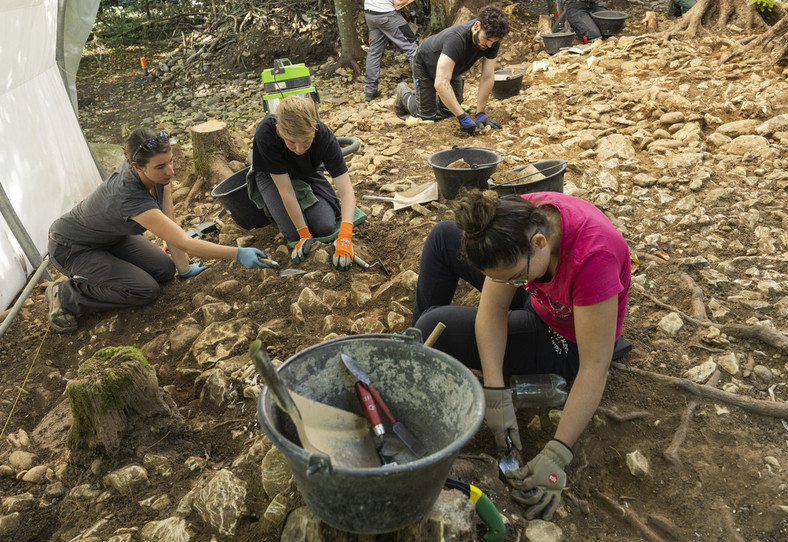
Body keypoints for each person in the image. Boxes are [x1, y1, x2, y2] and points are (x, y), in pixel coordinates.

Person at [412, 189, 631, 521]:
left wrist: (558, 453)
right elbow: (493, 309)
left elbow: (595, 366)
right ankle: (418, 359)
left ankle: (423, 351)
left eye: (513, 277)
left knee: (433, 324)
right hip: (542, 297)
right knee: (444, 237)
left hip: (566, 337)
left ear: (539, 243)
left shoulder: (592, 257)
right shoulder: (514, 218)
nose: (512, 284)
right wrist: (496, 390)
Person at [46, 128, 272, 333]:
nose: (170, 171)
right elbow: (186, 243)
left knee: (165, 269)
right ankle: (65, 295)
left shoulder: (152, 169)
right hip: (72, 248)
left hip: (111, 238)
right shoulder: (129, 196)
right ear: (137, 167)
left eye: (170, 162)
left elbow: (168, 219)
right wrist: (238, 253)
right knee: (144, 290)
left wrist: (184, 269)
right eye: (161, 167)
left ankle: (112, 270)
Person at [248, 96, 358, 270]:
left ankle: (306, 196)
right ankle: (272, 206)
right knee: (293, 233)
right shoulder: (267, 133)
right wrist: (303, 233)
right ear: (279, 130)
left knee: (325, 227)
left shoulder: (324, 137)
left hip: (307, 171)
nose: (299, 149)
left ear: (314, 127)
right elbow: (287, 191)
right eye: (292, 143)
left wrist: (345, 235)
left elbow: (346, 190)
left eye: (306, 141)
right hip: (272, 175)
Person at [394, 5, 509, 134]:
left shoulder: (492, 38)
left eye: (493, 42)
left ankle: (433, 99)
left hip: (452, 68)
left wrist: (480, 112)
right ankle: (404, 92)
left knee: (449, 111)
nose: (489, 45)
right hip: (425, 65)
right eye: (487, 40)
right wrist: (462, 117)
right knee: (426, 117)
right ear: (477, 26)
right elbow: (441, 82)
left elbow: (487, 76)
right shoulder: (456, 39)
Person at [364, 0, 419, 101]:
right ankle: (420, 88)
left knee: (374, 52)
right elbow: (398, 2)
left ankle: (370, 90)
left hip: (370, 14)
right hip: (387, 14)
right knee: (413, 47)